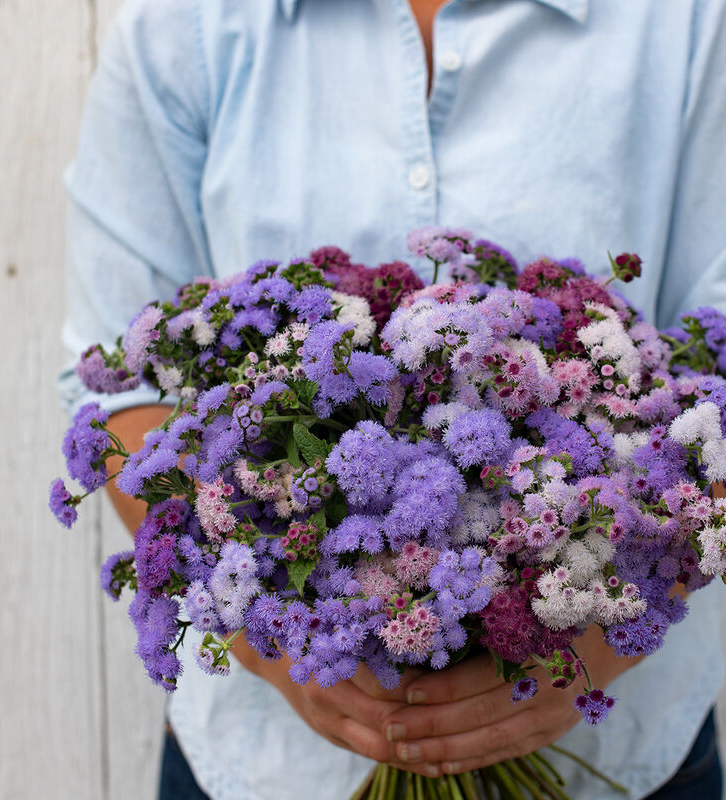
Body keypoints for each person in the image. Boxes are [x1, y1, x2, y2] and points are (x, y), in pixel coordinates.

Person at [58, 1, 726, 798]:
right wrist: (283, 646)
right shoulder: (184, 29)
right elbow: (117, 390)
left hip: (627, 753)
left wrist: (598, 635)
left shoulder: (686, 24)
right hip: (263, 766)